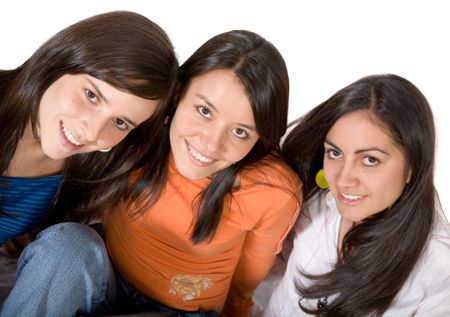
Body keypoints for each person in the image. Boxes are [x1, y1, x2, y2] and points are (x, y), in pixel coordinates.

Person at [0, 29, 301, 317]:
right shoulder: (136, 131)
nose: (210, 143)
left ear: (259, 138)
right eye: (204, 111)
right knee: (65, 245)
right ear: (178, 94)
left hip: (180, 310)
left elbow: (247, 279)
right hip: (105, 274)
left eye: (239, 132)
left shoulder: (272, 191)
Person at [0, 10, 178, 300]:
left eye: (120, 122)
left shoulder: (89, 173)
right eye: (92, 95)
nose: (92, 131)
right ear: (61, 60)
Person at [252, 74, 450, 316]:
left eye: (369, 160)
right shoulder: (315, 202)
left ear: (412, 167)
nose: (343, 179)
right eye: (335, 153)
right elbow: (265, 284)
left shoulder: (439, 271)